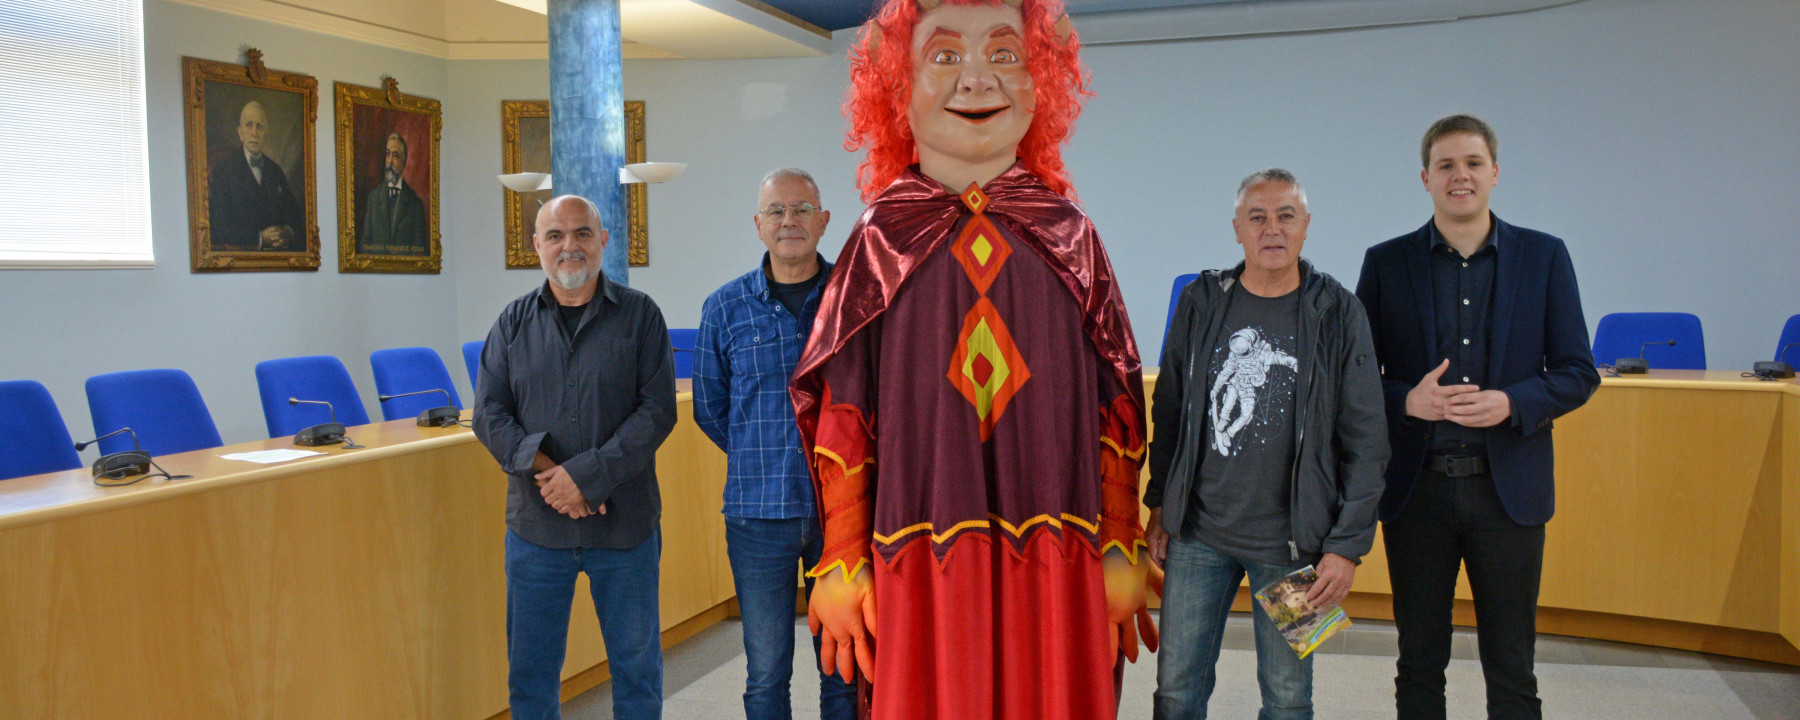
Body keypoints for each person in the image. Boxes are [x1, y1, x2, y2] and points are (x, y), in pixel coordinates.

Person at [791, 1, 1158, 718]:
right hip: (919, 545)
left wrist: (1119, 540)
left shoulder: (1071, 237)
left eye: (1005, 55)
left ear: (1040, 85)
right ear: (898, 88)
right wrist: (842, 553)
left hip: (1057, 544)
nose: (978, 78)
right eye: (946, 56)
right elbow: (842, 410)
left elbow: (1113, 399)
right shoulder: (879, 241)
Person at [1354, 114, 1600, 720]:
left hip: (1508, 493)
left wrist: (1512, 403)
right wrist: (1407, 400)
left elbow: (1578, 371)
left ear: (1494, 172)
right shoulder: (1386, 263)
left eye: (1472, 163)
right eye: (1445, 165)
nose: (1459, 176)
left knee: (1513, 668)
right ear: (1426, 178)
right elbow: (1352, 379)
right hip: (1417, 493)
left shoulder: (1544, 257)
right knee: (1418, 664)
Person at [1146, 168, 1389, 720]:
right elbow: (1170, 411)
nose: (1271, 229)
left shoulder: (1339, 311)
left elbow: (1367, 438)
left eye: (1285, 216)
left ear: (1306, 226)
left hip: (1297, 548)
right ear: (1237, 228)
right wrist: (1159, 503)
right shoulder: (1201, 301)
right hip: (1197, 536)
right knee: (1176, 693)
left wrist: (1346, 547)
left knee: (1288, 699)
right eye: (1257, 217)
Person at [473, 194, 677, 720]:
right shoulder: (512, 323)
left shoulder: (641, 316)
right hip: (537, 531)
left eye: (582, 233)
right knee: (531, 679)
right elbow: (489, 415)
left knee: (637, 673)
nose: (570, 245)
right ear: (537, 246)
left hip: (625, 528)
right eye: (556, 236)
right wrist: (555, 476)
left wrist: (588, 477)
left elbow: (657, 412)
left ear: (603, 240)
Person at [692, 168, 855, 720]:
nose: (790, 221)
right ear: (758, 225)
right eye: (777, 211)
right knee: (766, 672)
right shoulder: (724, 307)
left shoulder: (853, 300)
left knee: (844, 665)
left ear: (824, 221)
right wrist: (757, 455)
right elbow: (710, 408)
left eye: (802, 209)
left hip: (842, 512)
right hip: (757, 515)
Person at [208, 100, 302, 250]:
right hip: (239, 258)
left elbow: (295, 217)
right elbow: (221, 226)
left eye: (260, 127)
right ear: (240, 132)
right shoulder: (224, 169)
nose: (254, 133)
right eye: (249, 125)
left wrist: (286, 233)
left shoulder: (275, 171)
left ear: (266, 136)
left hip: (277, 259)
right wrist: (260, 238)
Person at [359, 132, 429, 255]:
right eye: (387, 154)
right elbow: (365, 246)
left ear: (404, 162)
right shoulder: (373, 198)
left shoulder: (415, 204)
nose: (390, 161)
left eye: (395, 155)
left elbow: (419, 252)